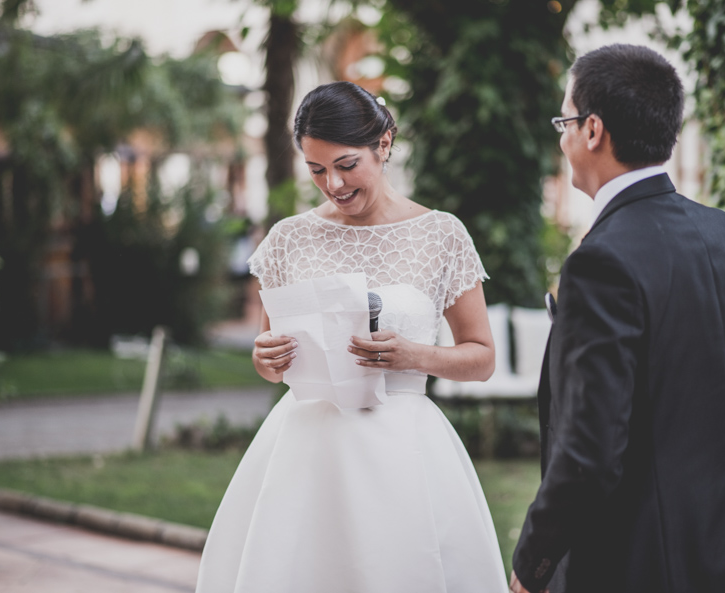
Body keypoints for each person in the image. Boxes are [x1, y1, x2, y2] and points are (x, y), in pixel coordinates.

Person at [509, 44, 725, 593]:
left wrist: (534, 563)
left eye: (564, 122)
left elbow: (589, 450)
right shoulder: (723, 233)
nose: (562, 137)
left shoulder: (600, 260)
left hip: (632, 564)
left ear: (592, 130)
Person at [195, 81, 508, 593]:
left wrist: (413, 355)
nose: (333, 184)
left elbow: (482, 357)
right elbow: (268, 359)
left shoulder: (442, 235)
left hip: (403, 449)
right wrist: (266, 358)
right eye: (316, 170)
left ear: (383, 144)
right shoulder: (288, 238)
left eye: (346, 165)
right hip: (306, 451)